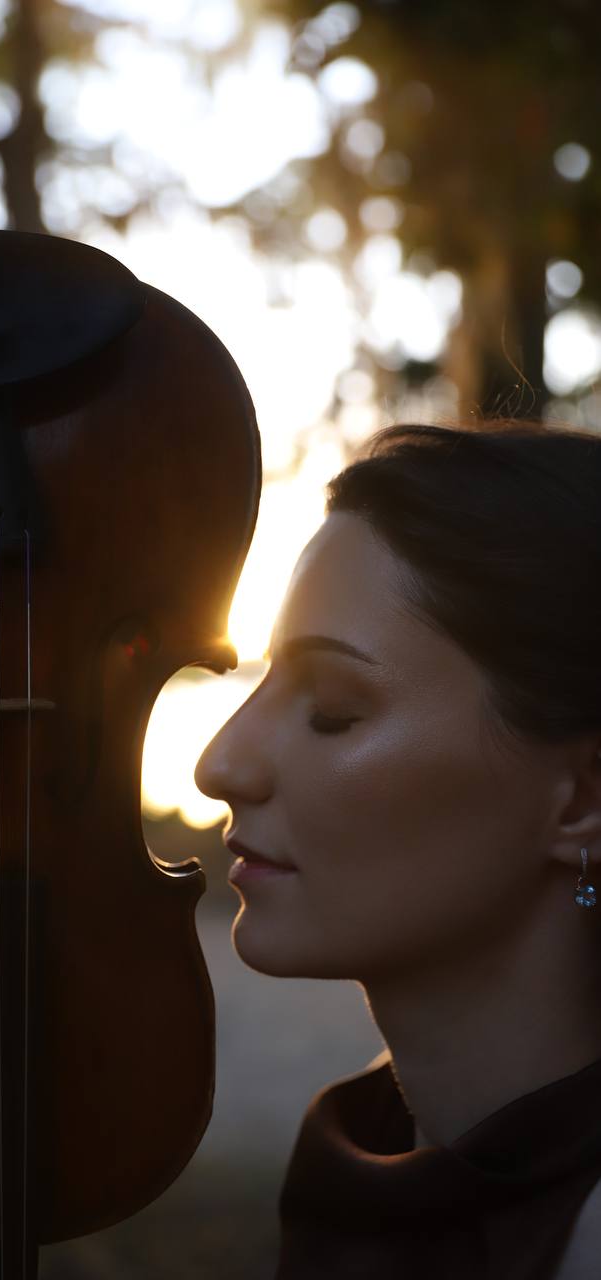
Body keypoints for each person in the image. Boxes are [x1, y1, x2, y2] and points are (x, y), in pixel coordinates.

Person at [194, 419, 601, 1280]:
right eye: (263, 683)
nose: (219, 764)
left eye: (332, 709)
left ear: (582, 800)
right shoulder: (360, 1165)